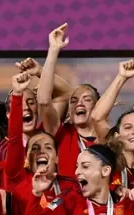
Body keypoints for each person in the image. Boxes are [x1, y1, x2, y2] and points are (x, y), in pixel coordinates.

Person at [3, 71, 78, 215]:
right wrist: (17, 95)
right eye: (34, 148)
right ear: (25, 159)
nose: (41, 151)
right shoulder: (18, 178)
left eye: (48, 147)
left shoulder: (70, 188)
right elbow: (15, 139)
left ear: (57, 157)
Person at [38, 23, 101, 180]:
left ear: (97, 107)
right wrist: (53, 50)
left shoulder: (108, 138)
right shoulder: (61, 134)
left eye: (86, 99)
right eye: (73, 101)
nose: (79, 103)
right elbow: (45, 101)